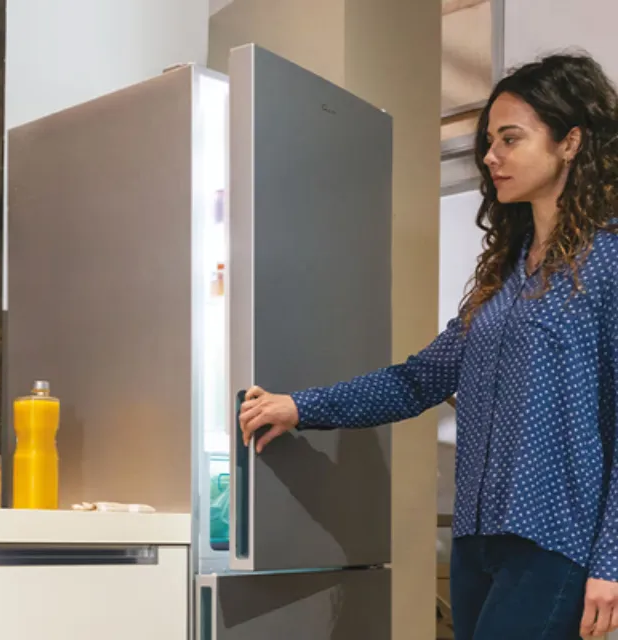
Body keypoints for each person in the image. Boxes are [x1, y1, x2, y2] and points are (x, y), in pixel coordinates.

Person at [238, 52, 618, 640]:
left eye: (510, 139)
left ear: (570, 142)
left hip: (553, 540)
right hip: (475, 543)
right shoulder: (504, 275)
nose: (490, 156)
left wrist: (611, 561)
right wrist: (299, 406)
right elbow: (418, 380)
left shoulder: (608, 260)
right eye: (489, 141)